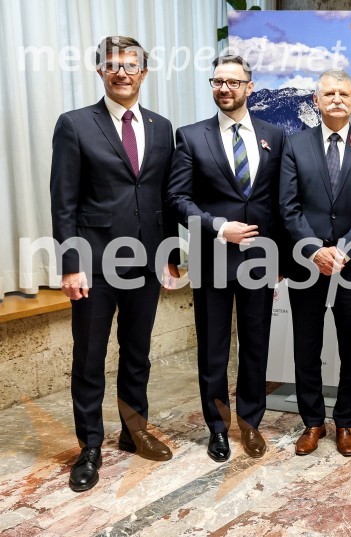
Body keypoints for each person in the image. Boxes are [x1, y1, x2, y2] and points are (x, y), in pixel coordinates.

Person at [50, 35, 178, 492]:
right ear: (100, 71)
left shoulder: (162, 128)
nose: (121, 72)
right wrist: (70, 263)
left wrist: (170, 256)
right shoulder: (75, 124)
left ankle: (132, 429)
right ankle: (89, 446)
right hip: (94, 264)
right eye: (112, 65)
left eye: (130, 65)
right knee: (89, 357)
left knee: (137, 353)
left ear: (145, 72)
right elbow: (63, 201)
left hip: (145, 262)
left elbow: (166, 198)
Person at [167, 55, 287, 462]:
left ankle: (250, 422)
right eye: (217, 82)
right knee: (213, 350)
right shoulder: (191, 136)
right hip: (212, 258)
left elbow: (280, 202)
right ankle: (217, 428)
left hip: (260, 259)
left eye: (233, 82)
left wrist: (283, 259)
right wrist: (219, 227)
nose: (224, 89)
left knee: (256, 346)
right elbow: (178, 199)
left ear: (249, 87)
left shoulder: (275, 135)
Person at [280, 69, 351, 457]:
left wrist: (342, 250)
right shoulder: (295, 145)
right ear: (316, 101)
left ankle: (345, 422)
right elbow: (287, 208)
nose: (337, 99)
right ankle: (312, 422)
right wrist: (314, 250)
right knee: (306, 345)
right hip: (307, 263)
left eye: (344, 93)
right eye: (329, 93)